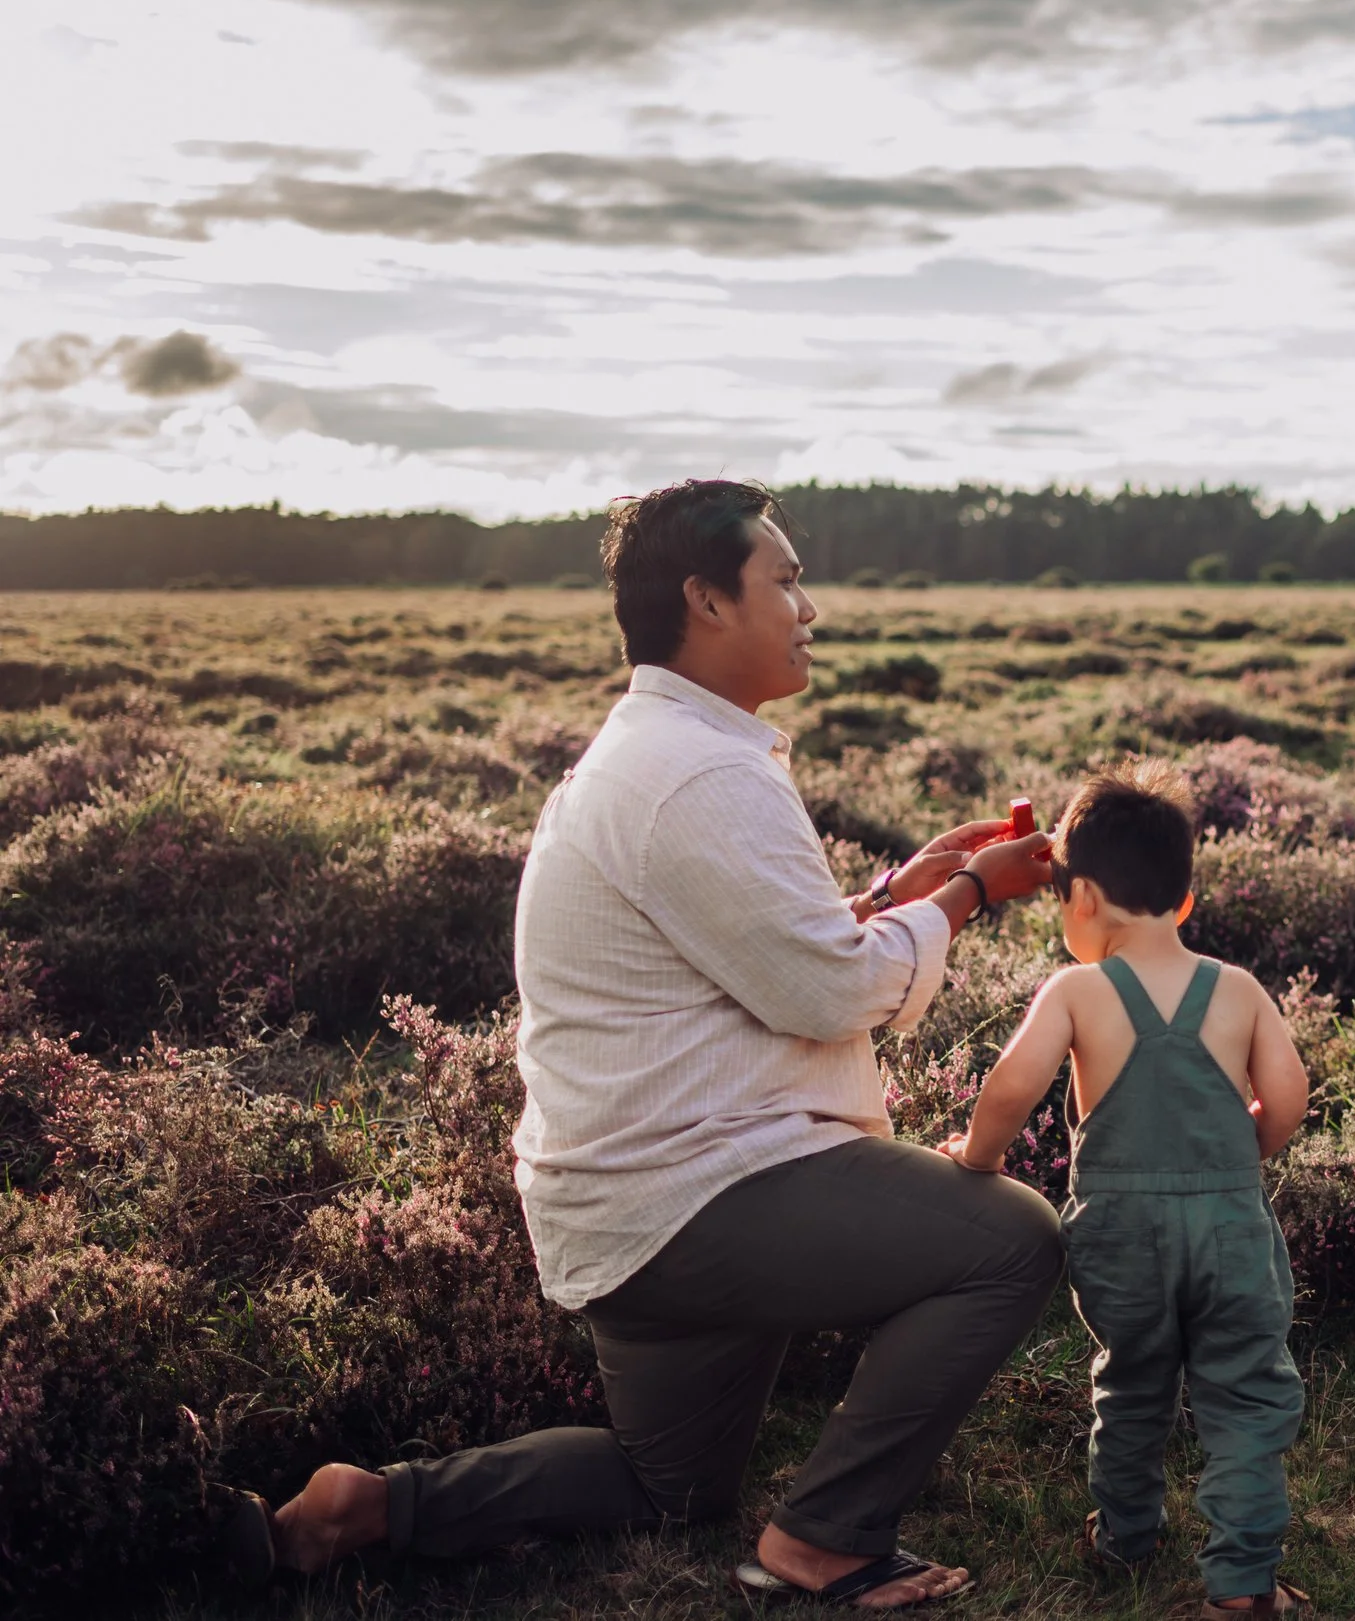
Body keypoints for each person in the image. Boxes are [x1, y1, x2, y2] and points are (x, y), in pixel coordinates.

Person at [250, 480, 1061, 1612]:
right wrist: (970, 893)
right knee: (1010, 1238)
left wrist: (895, 892)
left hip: (630, 1207)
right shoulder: (699, 772)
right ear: (705, 600)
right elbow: (827, 989)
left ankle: (376, 1503)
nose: (808, 607)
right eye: (784, 580)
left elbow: (762, 948)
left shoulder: (654, 750)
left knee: (666, 1485)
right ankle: (825, 1536)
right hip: (704, 1193)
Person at [941, 762, 1315, 1618]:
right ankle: (1244, 1582)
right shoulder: (1239, 989)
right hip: (1227, 1223)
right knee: (1247, 1395)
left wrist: (976, 1155)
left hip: (1121, 1232)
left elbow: (1009, 1087)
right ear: (1185, 901)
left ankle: (1124, 1536)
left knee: (1133, 1381)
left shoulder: (1077, 990)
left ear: (1081, 899)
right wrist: (1241, 1151)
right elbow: (1288, 1097)